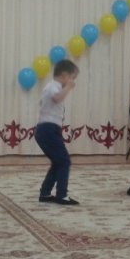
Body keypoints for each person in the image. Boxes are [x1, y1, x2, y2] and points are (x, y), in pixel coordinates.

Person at [36, 59, 80, 205]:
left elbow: (43, 102)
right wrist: (68, 87)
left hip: (49, 129)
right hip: (47, 129)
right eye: (72, 78)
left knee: (58, 162)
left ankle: (45, 193)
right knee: (64, 161)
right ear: (64, 75)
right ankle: (62, 195)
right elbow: (56, 98)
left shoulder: (51, 87)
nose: (73, 81)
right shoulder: (53, 86)